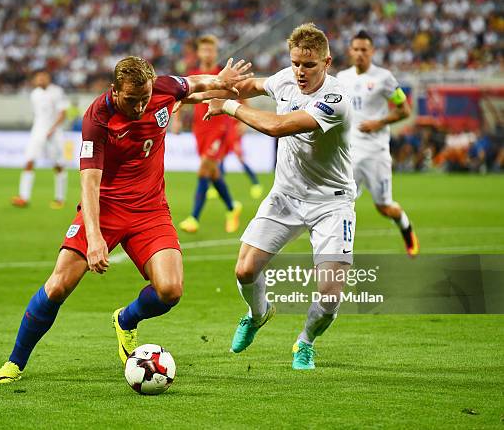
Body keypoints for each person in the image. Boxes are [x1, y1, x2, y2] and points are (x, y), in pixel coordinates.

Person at [0, 56, 252, 383]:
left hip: (150, 209)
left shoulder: (162, 89)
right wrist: (96, 238)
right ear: (114, 90)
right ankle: (15, 362)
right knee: (58, 286)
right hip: (105, 207)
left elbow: (191, 86)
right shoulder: (97, 118)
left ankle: (126, 320)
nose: (140, 107)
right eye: (131, 99)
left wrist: (218, 80)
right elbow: (89, 182)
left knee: (170, 290)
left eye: (145, 98)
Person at [198, 23, 356, 370]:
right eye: (296, 62)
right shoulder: (287, 77)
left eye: (310, 65)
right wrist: (217, 84)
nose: (301, 71)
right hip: (286, 194)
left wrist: (226, 106)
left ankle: (305, 342)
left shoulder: (337, 99)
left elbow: (278, 126)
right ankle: (258, 314)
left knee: (330, 295)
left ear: (327, 62)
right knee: (244, 269)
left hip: (332, 203)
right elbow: (252, 85)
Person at [337, 31, 419, 257]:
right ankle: (339, 253)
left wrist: (379, 122)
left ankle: (406, 228)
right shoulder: (342, 78)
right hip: (350, 152)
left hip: (376, 152)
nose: (360, 54)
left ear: (372, 52)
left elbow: (405, 110)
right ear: (350, 51)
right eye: (356, 49)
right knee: (341, 202)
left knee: (384, 206)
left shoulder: (384, 78)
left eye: (365, 49)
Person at [175, 35, 244, 234]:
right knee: (213, 172)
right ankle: (232, 207)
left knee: (204, 169)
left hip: (219, 128)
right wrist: (177, 120)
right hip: (200, 129)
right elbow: (183, 97)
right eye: (203, 50)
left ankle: (194, 218)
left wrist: (240, 120)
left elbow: (239, 94)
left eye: (210, 50)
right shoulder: (194, 74)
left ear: (215, 52)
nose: (206, 53)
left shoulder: (221, 73)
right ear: (198, 53)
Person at [11, 70, 70, 209]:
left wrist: (53, 129)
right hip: (37, 132)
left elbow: (63, 113)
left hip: (54, 133)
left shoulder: (57, 92)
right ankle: (23, 197)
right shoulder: (35, 94)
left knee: (58, 165)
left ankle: (59, 199)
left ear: (48, 78)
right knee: (29, 161)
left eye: (43, 77)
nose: (41, 79)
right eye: (38, 77)